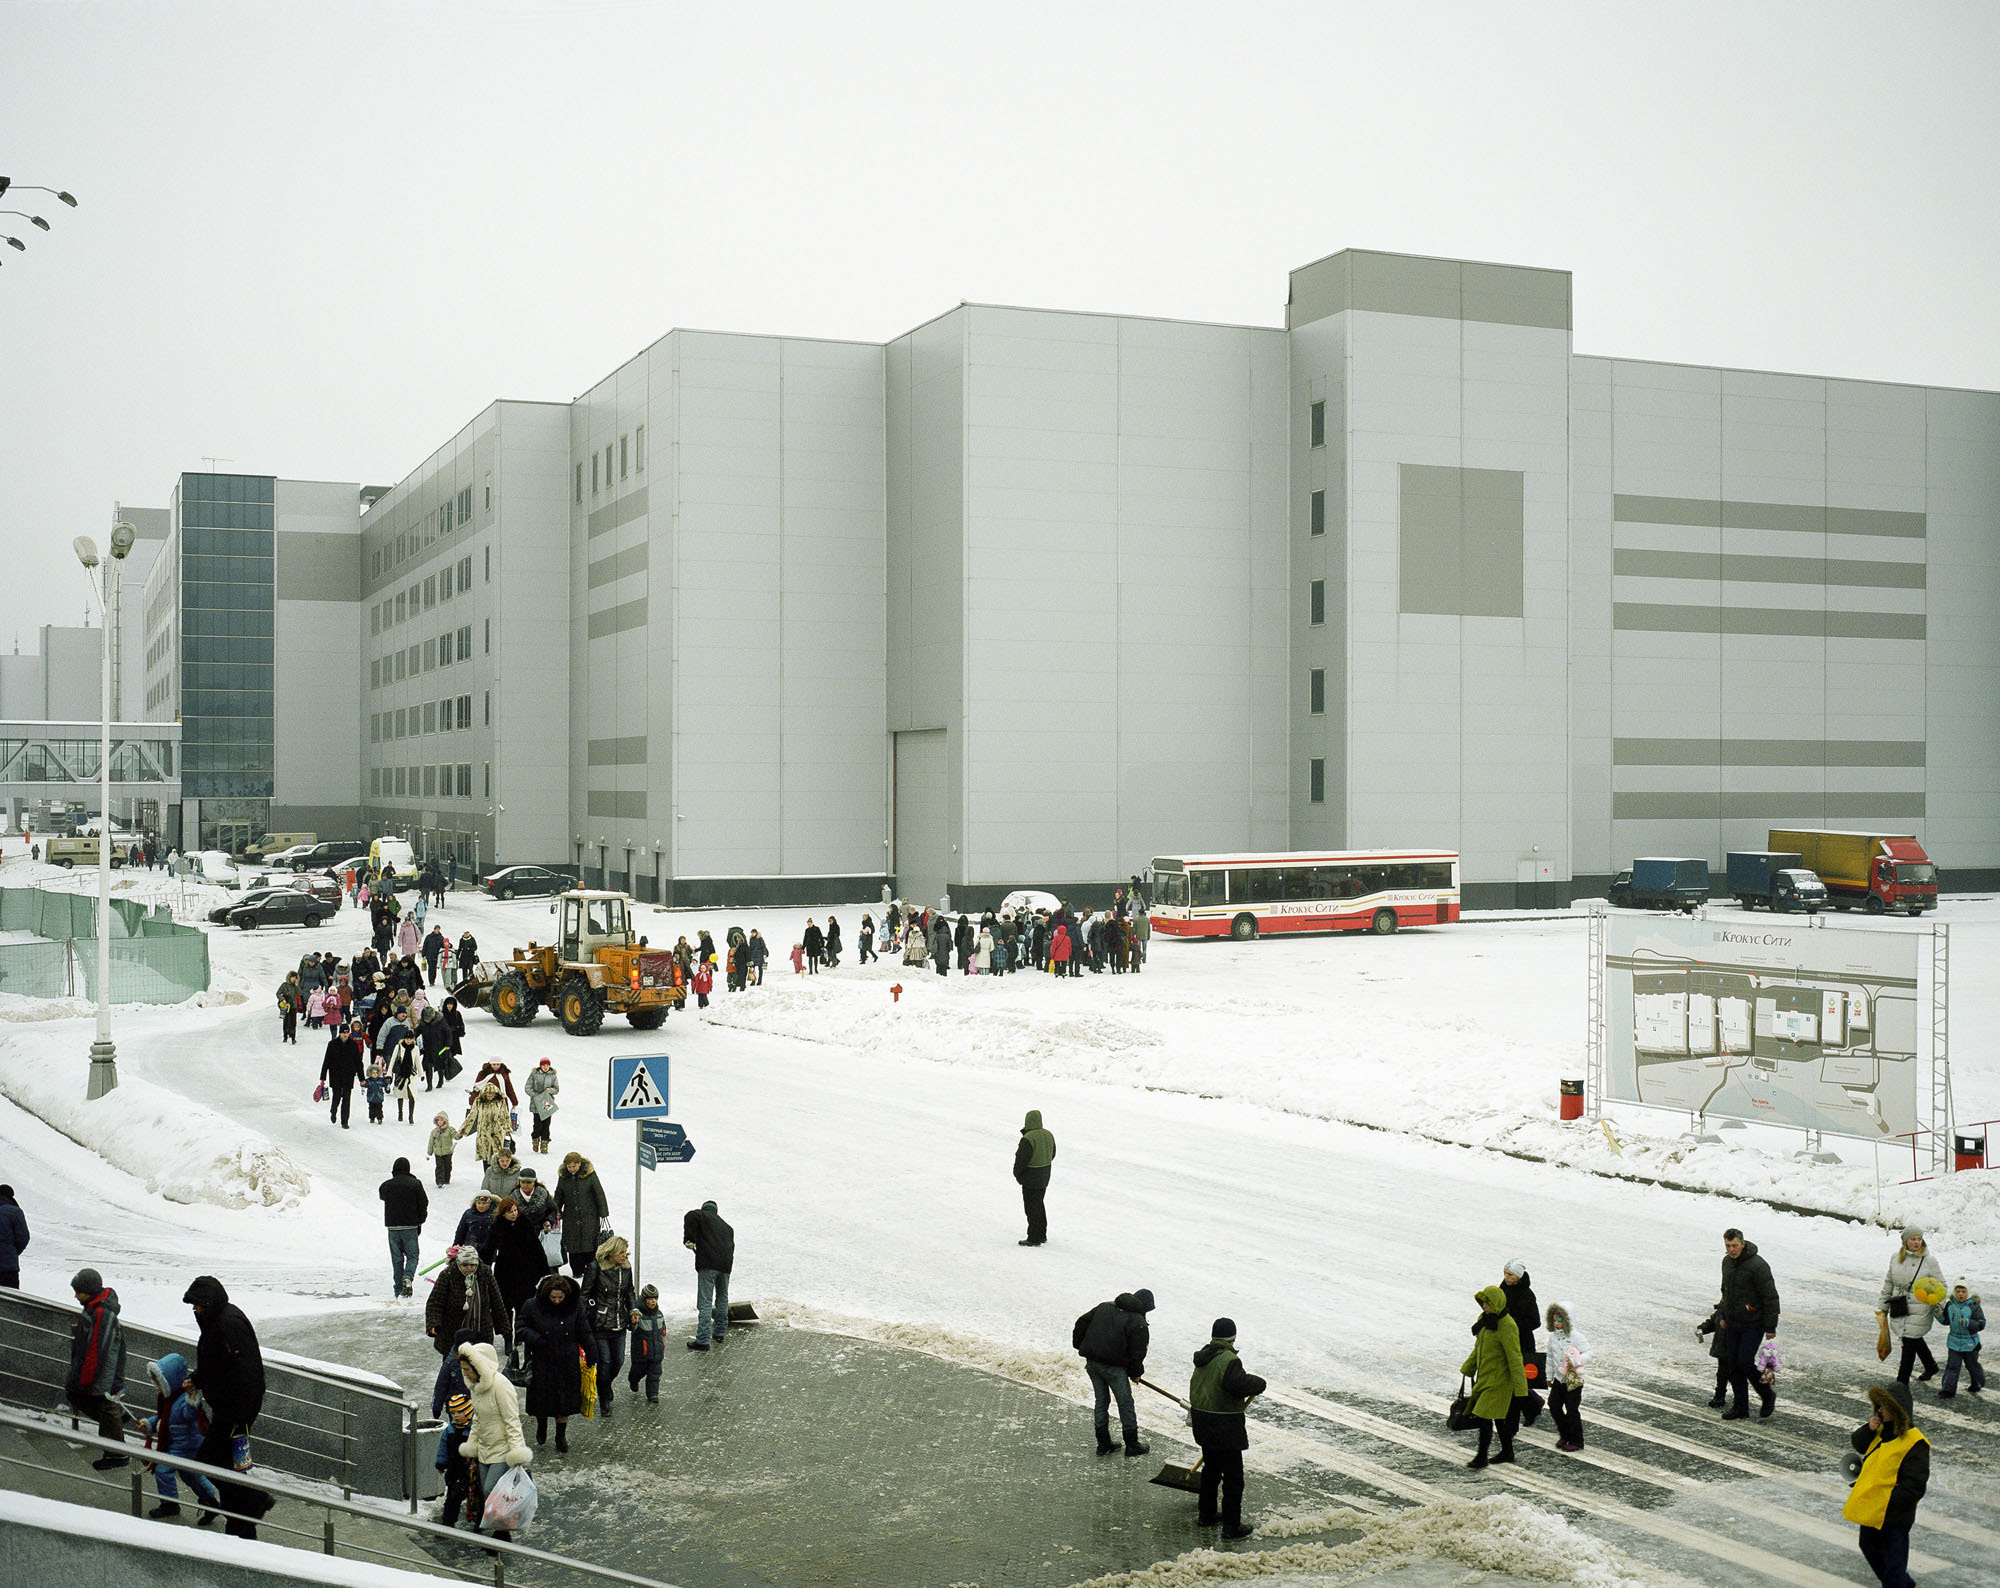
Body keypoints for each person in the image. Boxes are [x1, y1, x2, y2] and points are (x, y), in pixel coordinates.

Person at [183, 1275, 271, 1539]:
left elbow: (246, 1374)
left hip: (235, 1411)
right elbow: (218, 1363)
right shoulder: (216, 1322)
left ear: (209, 1303)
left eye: (197, 1304)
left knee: (210, 1460)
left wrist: (239, 1416)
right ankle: (241, 1526)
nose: (194, 1309)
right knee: (228, 1467)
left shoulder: (228, 1324)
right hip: (229, 1408)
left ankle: (255, 1501)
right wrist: (198, 1378)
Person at [1844, 1382, 1930, 1588]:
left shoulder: (1915, 1443)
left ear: (1897, 1411)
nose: (1880, 1410)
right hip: (1873, 1509)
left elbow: (1915, 1485)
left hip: (1894, 1516)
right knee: (1868, 1546)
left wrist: (1887, 1502)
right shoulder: (1880, 1430)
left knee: (1894, 1566)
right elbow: (1859, 1443)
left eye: (1884, 1407)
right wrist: (1868, 1428)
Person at [1190, 1318, 1265, 1540]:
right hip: (1224, 1424)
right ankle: (1231, 1526)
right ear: (1233, 1338)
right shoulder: (1229, 1360)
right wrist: (1259, 1383)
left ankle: (1207, 1514)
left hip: (1203, 1420)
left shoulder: (1204, 1356)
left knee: (1211, 1469)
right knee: (1233, 1477)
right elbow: (1236, 1384)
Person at [455, 1341, 533, 1545]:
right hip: (484, 1449)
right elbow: (478, 1420)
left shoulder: (501, 1385)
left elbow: (512, 1421)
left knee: (493, 1491)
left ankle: (502, 1534)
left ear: (479, 1367)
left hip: (503, 1450)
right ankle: (495, 1530)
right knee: (485, 1491)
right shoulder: (476, 1387)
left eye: (467, 1370)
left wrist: (517, 1452)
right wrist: (472, 1445)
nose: (465, 1374)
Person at [516, 1271, 594, 1453]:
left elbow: (584, 1331)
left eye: (560, 1297)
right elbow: (520, 1327)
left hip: (567, 1360)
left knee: (564, 1402)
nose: (557, 1301)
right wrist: (536, 1339)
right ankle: (541, 1424)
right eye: (553, 1297)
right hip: (541, 1361)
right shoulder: (532, 1306)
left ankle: (561, 1436)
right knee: (542, 1400)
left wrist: (592, 1352)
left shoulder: (574, 1307)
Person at [1073, 1288, 1154, 1455]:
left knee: (1101, 1401)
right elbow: (1137, 1353)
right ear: (1144, 1307)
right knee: (1125, 1404)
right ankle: (1132, 1444)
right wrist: (1135, 1373)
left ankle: (1103, 1444)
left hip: (1093, 1363)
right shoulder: (1137, 1322)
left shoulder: (1104, 1306)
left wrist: (1081, 1345)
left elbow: (1081, 1322)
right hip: (1113, 1368)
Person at [140, 1352, 218, 1522]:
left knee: (163, 1469)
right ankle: (211, 1502)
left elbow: (189, 1413)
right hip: (182, 1443)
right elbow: (164, 1420)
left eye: (160, 1383)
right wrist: (148, 1424)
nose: (157, 1387)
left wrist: (193, 1397)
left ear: (171, 1381)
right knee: (190, 1475)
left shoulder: (182, 1399)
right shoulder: (168, 1399)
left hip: (186, 1445)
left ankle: (170, 1505)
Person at [1714, 1227, 1780, 1420]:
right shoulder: (1727, 1262)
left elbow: (1770, 1296)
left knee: (1744, 1362)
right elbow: (1725, 1291)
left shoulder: (1758, 1265)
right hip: (1733, 1322)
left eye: (1734, 1245)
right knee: (1733, 1364)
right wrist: (1723, 1316)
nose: (1731, 1250)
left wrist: (1770, 1326)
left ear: (1742, 1244)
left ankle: (1767, 1394)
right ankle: (1740, 1407)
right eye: (1728, 1246)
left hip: (1754, 1322)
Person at [65, 1267, 128, 1467]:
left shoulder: (102, 1312)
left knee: (105, 1407)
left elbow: (96, 1349)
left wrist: (85, 1379)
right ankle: (115, 1425)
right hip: (99, 1373)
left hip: (104, 1375)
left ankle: (117, 1454)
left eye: (78, 1291)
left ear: (89, 1291)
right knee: (81, 1398)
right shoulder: (93, 1306)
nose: (75, 1296)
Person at [1460, 1285, 1528, 1470]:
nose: (1484, 1307)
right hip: (1485, 1377)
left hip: (1499, 1381)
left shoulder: (1507, 1326)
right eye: (1482, 1303)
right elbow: (1479, 1348)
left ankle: (1481, 1457)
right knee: (1498, 1419)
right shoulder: (1484, 1320)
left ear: (1496, 1303)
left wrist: (1521, 1389)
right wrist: (1469, 1368)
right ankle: (1508, 1452)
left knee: (1483, 1416)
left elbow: (1515, 1358)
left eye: (1487, 1303)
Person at [1878, 1227, 1945, 1385]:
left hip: (1920, 1307)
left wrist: (1938, 1304)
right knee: (1912, 1339)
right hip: (1900, 1305)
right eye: (1913, 1239)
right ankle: (1931, 1366)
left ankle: (1901, 1384)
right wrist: (1882, 1308)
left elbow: (1941, 1285)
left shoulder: (1929, 1261)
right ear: (1905, 1241)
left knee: (1909, 1342)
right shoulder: (1896, 1258)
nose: (1916, 1242)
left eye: (1919, 1239)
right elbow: (1889, 1283)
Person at [580, 1236, 635, 1418]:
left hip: (619, 1322)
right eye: (621, 1252)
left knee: (618, 1361)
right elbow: (584, 1294)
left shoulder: (626, 1269)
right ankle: (604, 1398)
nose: (624, 1255)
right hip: (600, 1324)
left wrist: (633, 1310)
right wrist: (584, 1318)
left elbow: (630, 1292)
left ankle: (605, 1384)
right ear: (610, 1253)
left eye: (625, 1251)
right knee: (605, 1362)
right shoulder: (596, 1267)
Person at [427, 1244, 509, 1355]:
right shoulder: (448, 1275)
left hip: (481, 1331)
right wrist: (433, 1323)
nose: (469, 1268)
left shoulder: (485, 1273)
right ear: (459, 1264)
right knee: (454, 1367)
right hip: (453, 1331)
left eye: (472, 1265)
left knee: (480, 1367)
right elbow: (435, 1302)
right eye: (465, 1265)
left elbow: (496, 1301)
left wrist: (504, 1327)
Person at [683, 1198, 734, 1350]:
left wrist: (689, 1238)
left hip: (708, 1266)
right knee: (722, 1299)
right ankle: (719, 1333)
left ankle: (703, 1340)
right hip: (725, 1267)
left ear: (704, 1209)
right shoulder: (727, 1227)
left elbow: (690, 1215)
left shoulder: (702, 1216)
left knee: (705, 1302)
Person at [380, 1155, 430, 1299]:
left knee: (397, 1259)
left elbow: (382, 1196)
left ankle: (398, 1290)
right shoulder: (415, 1184)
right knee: (413, 1256)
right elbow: (424, 1203)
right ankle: (407, 1277)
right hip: (410, 1226)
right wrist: (420, 1220)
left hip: (392, 1228)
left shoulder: (386, 1185)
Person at [1544, 1301, 1591, 1452]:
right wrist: (1549, 1376)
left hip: (1573, 1379)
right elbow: (1550, 1357)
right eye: (1554, 1320)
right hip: (1559, 1378)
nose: (1556, 1324)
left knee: (1572, 1410)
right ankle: (1565, 1434)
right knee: (1554, 1404)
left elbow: (1589, 1353)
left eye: (1560, 1320)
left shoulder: (1576, 1337)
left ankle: (1577, 1440)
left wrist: (1576, 1360)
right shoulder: (1552, 1337)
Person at [490, 1197, 550, 1316]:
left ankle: (521, 1330)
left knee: (524, 1305)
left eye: (515, 1210)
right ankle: (506, 1331)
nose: (514, 1214)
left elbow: (537, 1248)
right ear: (503, 1214)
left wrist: (544, 1270)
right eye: (510, 1212)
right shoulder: (497, 1227)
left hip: (525, 1271)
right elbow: (488, 1247)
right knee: (504, 1304)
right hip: (505, 1271)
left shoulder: (525, 1224)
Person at [554, 1152, 610, 1278]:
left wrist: (603, 1212)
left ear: (579, 1164)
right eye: (569, 1167)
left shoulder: (590, 1175)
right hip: (571, 1217)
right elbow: (559, 1195)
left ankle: (591, 1270)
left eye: (574, 1166)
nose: (571, 1169)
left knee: (589, 1243)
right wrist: (556, 1210)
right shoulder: (563, 1177)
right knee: (573, 1246)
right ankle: (577, 1270)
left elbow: (599, 1193)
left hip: (589, 1216)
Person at [1500, 1258, 1542, 1422]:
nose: (1506, 1277)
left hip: (1522, 1342)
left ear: (1518, 1276)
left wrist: (1512, 1324)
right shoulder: (1503, 1288)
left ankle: (1532, 1406)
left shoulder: (1527, 1295)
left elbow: (1535, 1321)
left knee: (1520, 1380)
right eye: (1505, 1273)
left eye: (1510, 1275)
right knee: (1506, 1377)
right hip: (1505, 1340)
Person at [1013, 1109, 1055, 1247]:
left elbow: (1021, 1159)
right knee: (1039, 1204)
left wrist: (1018, 1174)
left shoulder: (1028, 1138)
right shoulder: (1048, 1134)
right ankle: (1041, 1234)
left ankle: (1034, 1238)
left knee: (1031, 1207)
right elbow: (1053, 1153)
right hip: (1044, 1175)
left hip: (1031, 1177)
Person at [435, 1391, 476, 1530]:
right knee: (452, 1498)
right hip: (454, 1469)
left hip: (471, 1470)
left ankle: (479, 1522)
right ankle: (448, 1522)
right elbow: (443, 1447)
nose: (456, 1416)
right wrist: (441, 1463)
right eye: (453, 1413)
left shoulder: (473, 1430)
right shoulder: (450, 1430)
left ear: (468, 1412)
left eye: (459, 1412)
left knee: (476, 1497)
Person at [1939, 1279, 1984, 1398]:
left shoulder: (1973, 1306)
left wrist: (1969, 1323)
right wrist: (1938, 1315)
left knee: (1972, 1365)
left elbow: (1981, 1323)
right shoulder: (1950, 1305)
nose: (1960, 1294)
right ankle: (1947, 1389)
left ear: (1967, 1292)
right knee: (1953, 1366)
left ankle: (1977, 1383)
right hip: (1954, 1342)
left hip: (1970, 1343)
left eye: (1963, 1291)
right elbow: (1946, 1321)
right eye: (1958, 1291)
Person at [320, 1023, 366, 1129]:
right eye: (343, 1033)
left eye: (346, 1033)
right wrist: (323, 1077)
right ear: (340, 1033)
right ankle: (333, 1110)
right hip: (335, 1074)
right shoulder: (332, 1044)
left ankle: (344, 1121)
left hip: (348, 1075)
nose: (345, 1035)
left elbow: (358, 1063)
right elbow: (326, 1061)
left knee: (346, 1098)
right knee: (336, 1096)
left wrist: (361, 1078)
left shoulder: (353, 1045)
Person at [459, 1078, 512, 1165]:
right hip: (484, 1133)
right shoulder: (479, 1101)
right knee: (486, 1157)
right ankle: (487, 1177)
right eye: (488, 1094)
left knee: (497, 1157)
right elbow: (471, 1116)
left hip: (497, 1132)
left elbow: (504, 1115)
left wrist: (507, 1130)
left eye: (492, 1094)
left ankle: (496, 1178)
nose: (490, 1096)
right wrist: (463, 1130)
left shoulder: (500, 1101)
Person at [628, 1284, 666, 1404]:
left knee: (655, 1374)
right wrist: (633, 1323)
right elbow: (632, 1328)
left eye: (655, 1298)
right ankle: (633, 1380)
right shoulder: (639, 1314)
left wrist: (662, 1343)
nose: (653, 1301)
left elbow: (663, 1330)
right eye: (650, 1299)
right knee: (638, 1371)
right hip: (641, 1353)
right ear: (644, 1300)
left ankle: (653, 1394)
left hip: (657, 1352)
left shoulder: (659, 1314)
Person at [525, 1058, 558, 1155]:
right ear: (540, 1066)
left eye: (547, 1065)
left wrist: (550, 1091)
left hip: (547, 1103)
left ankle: (544, 1144)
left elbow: (556, 1089)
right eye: (544, 1065)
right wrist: (536, 1096)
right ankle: (535, 1140)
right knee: (537, 1125)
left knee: (546, 1125)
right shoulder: (534, 1074)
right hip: (536, 1103)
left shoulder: (553, 1075)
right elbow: (527, 1087)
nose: (545, 1067)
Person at [454, 1190, 499, 1256]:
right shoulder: (468, 1214)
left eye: (484, 1203)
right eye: (479, 1203)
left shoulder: (496, 1215)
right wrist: (455, 1247)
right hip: (469, 1250)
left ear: (490, 1203)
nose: (481, 1206)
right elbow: (460, 1232)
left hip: (488, 1252)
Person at [0, 1184, 28, 1287]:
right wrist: (12, 1251)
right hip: (8, 1268)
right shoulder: (15, 1211)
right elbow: (23, 1237)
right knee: (10, 1299)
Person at [391, 1037, 418, 1123]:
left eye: (410, 1039)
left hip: (411, 1075)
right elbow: (392, 1060)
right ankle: (400, 1113)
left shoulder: (415, 1048)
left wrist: (421, 1074)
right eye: (407, 1039)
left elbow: (417, 1061)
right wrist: (388, 1074)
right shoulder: (398, 1047)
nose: (409, 1041)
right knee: (400, 1095)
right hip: (400, 1074)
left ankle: (411, 1116)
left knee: (412, 1096)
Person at [428, 1112, 458, 1186]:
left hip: (448, 1152)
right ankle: (440, 1181)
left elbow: (456, 1136)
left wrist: (460, 1135)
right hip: (438, 1152)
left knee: (448, 1166)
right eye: (438, 1120)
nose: (440, 1121)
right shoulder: (434, 1132)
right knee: (439, 1167)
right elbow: (431, 1142)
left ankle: (446, 1179)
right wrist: (430, 1151)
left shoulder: (450, 1129)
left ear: (445, 1121)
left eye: (442, 1120)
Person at [276, 973, 303, 1045]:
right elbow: (278, 993)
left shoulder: (295, 986)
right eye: (292, 977)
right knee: (286, 1021)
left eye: (295, 977)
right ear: (289, 977)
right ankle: (285, 1036)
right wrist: (282, 999)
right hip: (285, 1006)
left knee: (293, 1022)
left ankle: (293, 1037)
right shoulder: (284, 985)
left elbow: (300, 993)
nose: (294, 979)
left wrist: (297, 986)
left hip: (293, 1006)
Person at [364, 1053, 391, 1124]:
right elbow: (365, 1084)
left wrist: (387, 1082)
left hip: (379, 1097)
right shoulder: (369, 1080)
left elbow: (385, 1084)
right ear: (370, 1074)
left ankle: (379, 1118)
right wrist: (363, 1084)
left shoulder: (380, 1080)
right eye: (373, 1073)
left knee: (379, 1109)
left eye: (376, 1073)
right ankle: (372, 1117)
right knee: (371, 1108)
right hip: (371, 1098)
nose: (375, 1074)